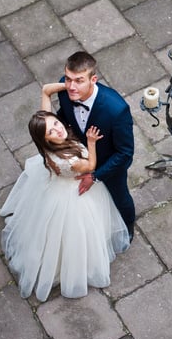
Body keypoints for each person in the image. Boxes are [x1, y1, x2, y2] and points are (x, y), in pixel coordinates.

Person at [0, 83, 130, 301]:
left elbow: (46, 90)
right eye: (51, 132)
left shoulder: (45, 141)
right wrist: (91, 143)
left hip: (56, 187)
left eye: (55, 123)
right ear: (46, 139)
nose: (57, 128)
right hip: (75, 193)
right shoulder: (68, 160)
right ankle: (73, 265)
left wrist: (72, 85)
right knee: (78, 232)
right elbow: (90, 166)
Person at [56, 51, 136, 239]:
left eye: (79, 81)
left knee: (120, 198)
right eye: (68, 79)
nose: (71, 87)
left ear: (93, 80)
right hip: (79, 156)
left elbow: (125, 153)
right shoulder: (65, 90)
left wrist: (95, 176)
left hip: (108, 164)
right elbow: (64, 115)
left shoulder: (116, 110)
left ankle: (128, 229)